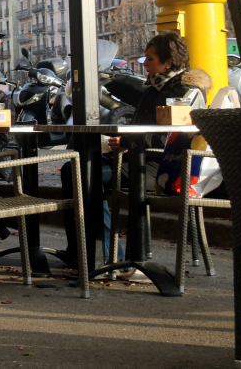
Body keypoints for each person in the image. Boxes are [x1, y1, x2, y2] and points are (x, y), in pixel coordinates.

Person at [59, 31, 210, 265]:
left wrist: (127, 141)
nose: (144, 63)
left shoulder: (186, 93)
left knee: (86, 172)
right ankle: (79, 249)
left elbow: (173, 136)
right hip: (134, 159)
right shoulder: (154, 87)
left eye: (150, 58)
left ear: (168, 62)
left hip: (160, 166)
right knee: (74, 169)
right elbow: (137, 112)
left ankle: (110, 254)